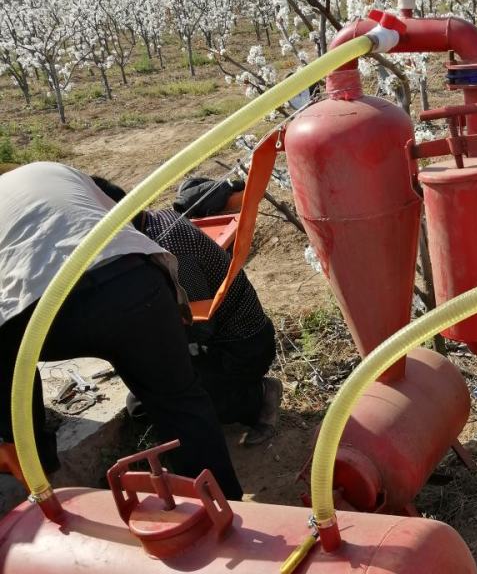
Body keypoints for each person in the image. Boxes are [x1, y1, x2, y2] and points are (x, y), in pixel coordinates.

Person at [0, 162, 243, 500]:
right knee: (180, 404)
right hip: (133, 283)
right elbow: (128, 213)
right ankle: (225, 511)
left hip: (41, 313)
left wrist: (12, 427)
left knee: (12, 361)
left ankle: (31, 456)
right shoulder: (49, 170)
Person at [91, 177, 282, 446]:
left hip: (240, 348)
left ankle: (259, 397)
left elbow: (201, 324)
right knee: (142, 405)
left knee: (175, 400)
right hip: (216, 340)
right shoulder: (151, 225)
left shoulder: (173, 251)